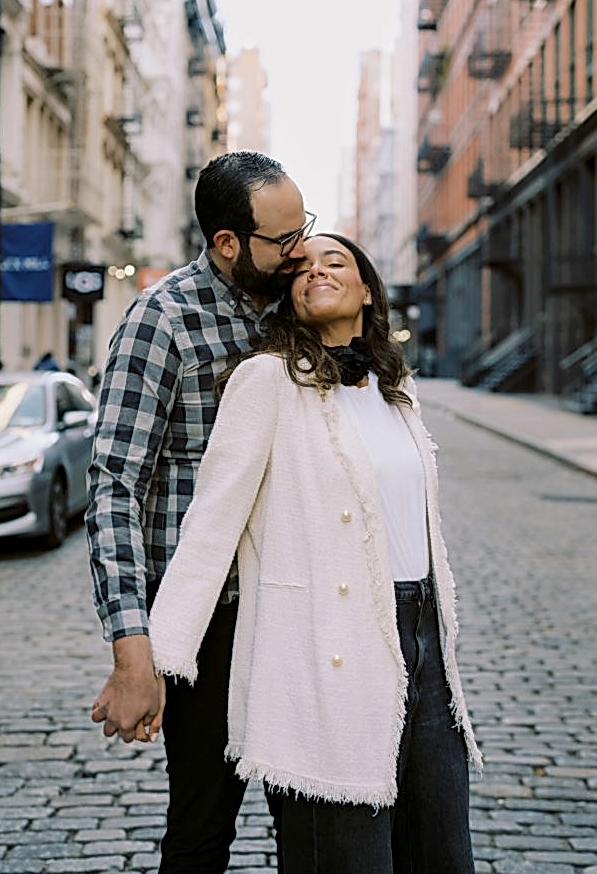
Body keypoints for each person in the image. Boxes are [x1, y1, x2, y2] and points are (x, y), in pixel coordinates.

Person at [146, 233, 483, 874]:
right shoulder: (265, 379)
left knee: (440, 850)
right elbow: (212, 523)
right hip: (325, 645)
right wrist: (159, 658)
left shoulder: (394, 387)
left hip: (424, 642)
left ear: (366, 290)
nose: (316, 272)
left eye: (336, 262)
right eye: (301, 267)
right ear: (289, 296)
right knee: (345, 857)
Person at [86, 151, 313, 873]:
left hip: (296, 612)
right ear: (225, 242)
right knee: (201, 824)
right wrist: (132, 651)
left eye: (302, 228)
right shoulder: (162, 321)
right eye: (282, 240)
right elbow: (115, 484)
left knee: (316, 823)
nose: (299, 250)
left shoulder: (300, 307)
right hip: (210, 618)